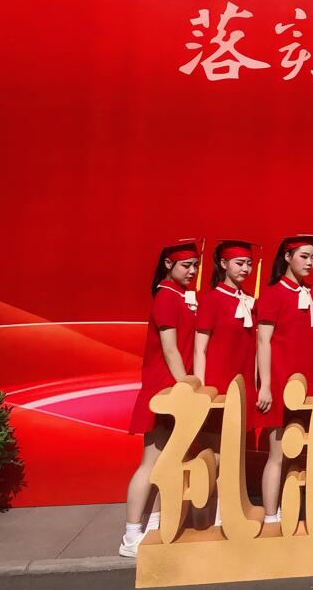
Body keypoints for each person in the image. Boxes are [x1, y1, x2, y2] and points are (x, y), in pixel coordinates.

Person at [120, 239, 201, 557]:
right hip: (163, 390)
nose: (192, 271)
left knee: (166, 463)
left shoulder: (181, 296)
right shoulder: (166, 296)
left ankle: (152, 525)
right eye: (186, 265)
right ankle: (130, 535)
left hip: (174, 390)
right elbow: (169, 349)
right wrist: (185, 386)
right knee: (150, 463)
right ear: (168, 265)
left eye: (195, 265)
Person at [254, 235, 313, 524]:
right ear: (287, 257)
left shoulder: (312, 291)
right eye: (303, 257)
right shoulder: (273, 294)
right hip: (281, 382)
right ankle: (271, 516)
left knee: (304, 453)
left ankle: (297, 512)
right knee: (278, 453)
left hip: (309, 383)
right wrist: (266, 385)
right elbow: (263, 341)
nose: (309, 263)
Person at [191, 239, 258, 526]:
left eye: (249, 264)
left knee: (235, 452)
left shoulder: (249, 300)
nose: (245, 269)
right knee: (215, 453)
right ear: (223, 264)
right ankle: (204, 514)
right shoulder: (212, 300)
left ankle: (227, 512)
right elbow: (200, 349)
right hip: (217, 387)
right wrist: (202, 390)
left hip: (242, 385)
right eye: (239, 263)